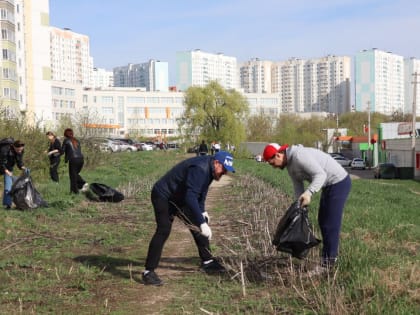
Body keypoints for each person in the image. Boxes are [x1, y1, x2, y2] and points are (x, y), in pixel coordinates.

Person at [142, 150, 235, 286]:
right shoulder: (200, 169)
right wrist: (202, 223)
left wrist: (202, 213)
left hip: (179, 197)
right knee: (163, 230)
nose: (224, 173)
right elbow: (190, 197)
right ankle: (148, 272)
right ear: (216, 163)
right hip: (163, 195)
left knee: (199, 223)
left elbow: (201, 193)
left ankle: (207, 262)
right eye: (224, 169)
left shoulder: (210, 170)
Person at [262, 143, 351, 273]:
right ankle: (327, 259)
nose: (274, 167)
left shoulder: (299, 156)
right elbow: (298, 186)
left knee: (330, 223)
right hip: (329, 186)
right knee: (323, 221)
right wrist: (298, 207)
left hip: (339, 182)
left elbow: (321, 175)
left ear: (278, 155)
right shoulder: (290, 166)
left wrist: (309, 193)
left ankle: (329, 262)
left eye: (272, 163)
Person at [0, 140, 26, 209]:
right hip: (2, 165)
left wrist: (23, 167)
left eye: (21, 150)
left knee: (9, 185)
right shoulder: (5, 149)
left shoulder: (20, 150)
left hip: (9, 167)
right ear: (14, 146)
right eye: (18, 150)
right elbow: (1, 162)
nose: (20, 151)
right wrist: (6, 170)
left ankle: (8, 204)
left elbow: (19, 162)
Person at [61, 128, 88, 194]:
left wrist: (55, 152)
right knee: (74, 176)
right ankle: (73, 192)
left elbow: (62, 151)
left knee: (73, 176)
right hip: (81, 160)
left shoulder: (66, 140)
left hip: (73, 160)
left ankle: (82, 183)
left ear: (65, 134)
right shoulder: (76, 140)